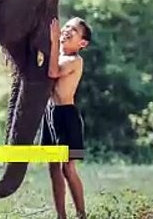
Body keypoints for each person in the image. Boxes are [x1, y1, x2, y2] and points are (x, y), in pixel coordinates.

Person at [42, 16, 92, 219]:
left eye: (74, 29)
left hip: (66, 115)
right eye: (66, 26)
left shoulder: (75, 61)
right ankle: (60, 215)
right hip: (50, 115)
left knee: (67, 167)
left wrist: (54, 41)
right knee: (53, 167)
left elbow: (53, 71)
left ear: (82, 43)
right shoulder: (55, 54)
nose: (66, 30)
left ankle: (81, 213)